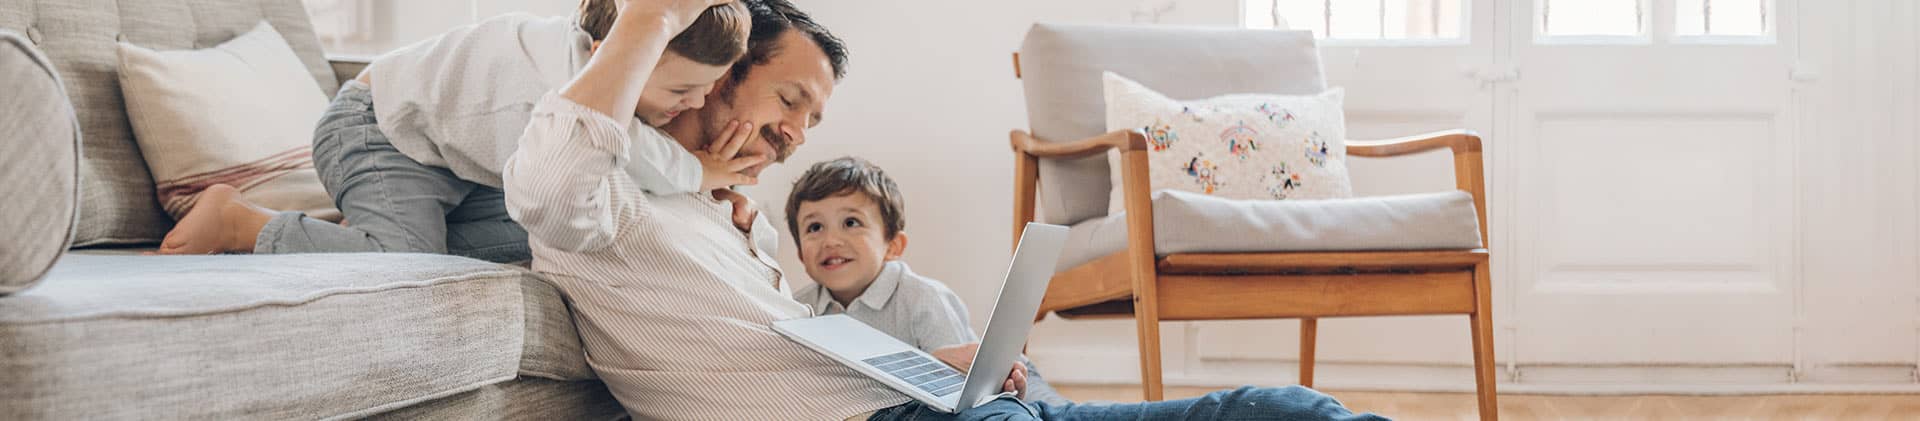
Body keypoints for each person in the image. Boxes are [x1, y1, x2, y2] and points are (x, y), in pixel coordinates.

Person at [503, 1, 1387, 420]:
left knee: (1284, 406)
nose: (797, 134)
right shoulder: (593, 189)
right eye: (791, 100)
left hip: (928, 406)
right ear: (716, 76)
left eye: (813, 120)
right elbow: (549, 187)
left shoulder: (723, 211)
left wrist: (928, 362)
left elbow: (800, 349)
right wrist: (652, 21)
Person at [155, 0, 759, 262]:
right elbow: (636, 154)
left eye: (707, 90)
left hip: (454, 162)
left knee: (538, 247)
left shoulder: (584, 56)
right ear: (612, 53)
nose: (695, 104)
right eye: (681, 92)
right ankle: (240, 221)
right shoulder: (562, 85)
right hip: (377, 131)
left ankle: (357, 231)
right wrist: (704, 170)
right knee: (405, 261)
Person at [784, 157, 1068, 405]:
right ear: (800, 254)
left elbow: (963, 383)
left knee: (1059, 414)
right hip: (905, 405)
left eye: (851, 223)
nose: (831, 240)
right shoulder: (797, 310)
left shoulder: (922, 298)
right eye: (815, 227)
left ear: (893, 246)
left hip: (1005, 378)